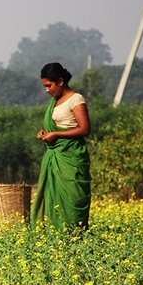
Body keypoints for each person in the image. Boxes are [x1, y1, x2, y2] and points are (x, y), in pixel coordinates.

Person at [30, 62, 91, 231]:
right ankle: (54, 235)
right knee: (53, 198)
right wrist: (46, 133)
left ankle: (74, 235)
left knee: (73, 198)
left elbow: (84, 129)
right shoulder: (55, 102)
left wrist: (56, 134)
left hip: (71, 157)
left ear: (61, 81)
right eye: (44, 86)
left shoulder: (76, 99)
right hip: (55, 155)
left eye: (49, 85)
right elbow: (56, 125)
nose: (47, 90)